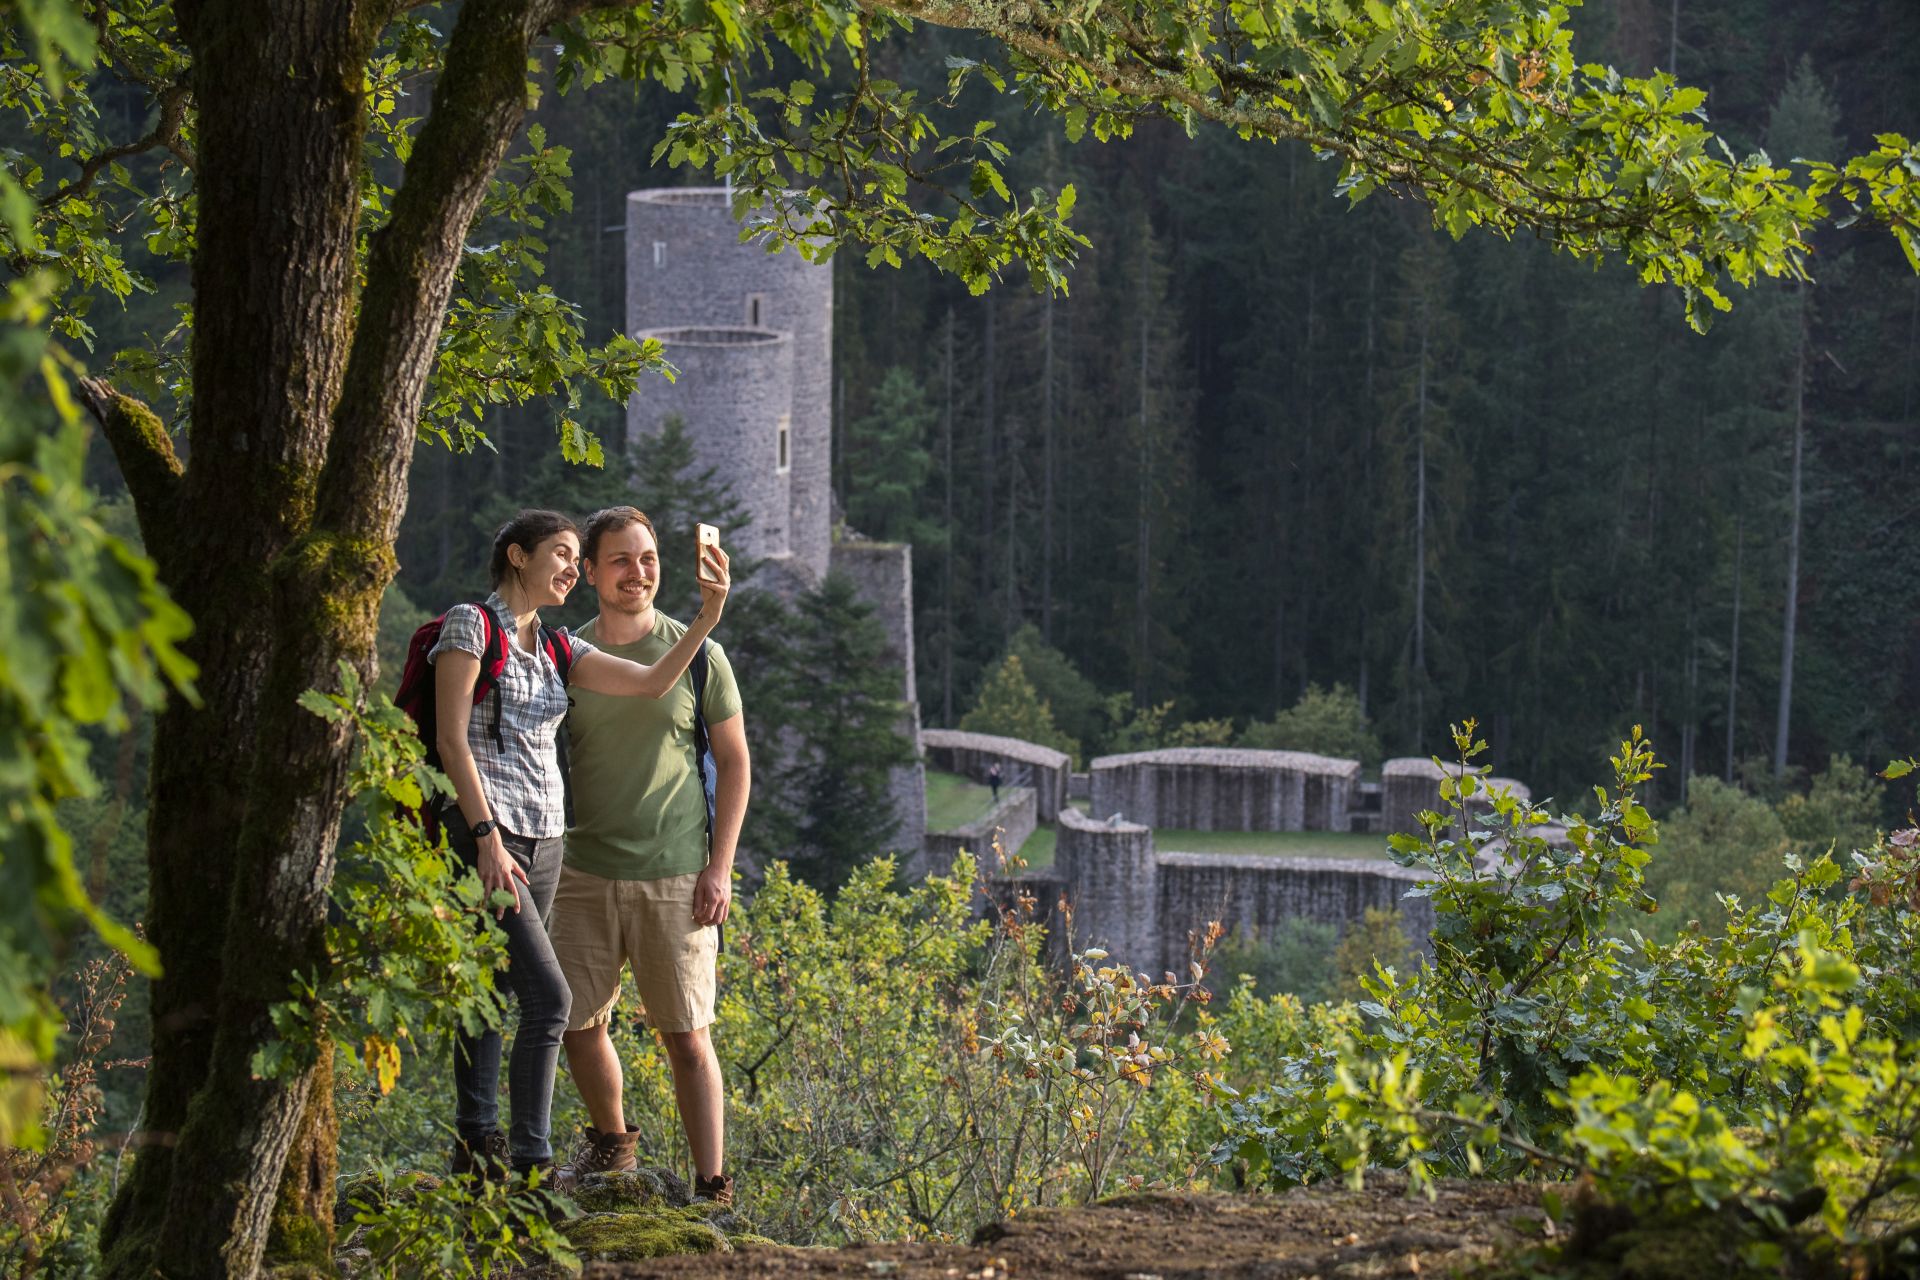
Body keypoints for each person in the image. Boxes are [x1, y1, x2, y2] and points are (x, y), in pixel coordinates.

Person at [430, 508, 730, 1185]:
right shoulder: (470, 626)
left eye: (574, 557)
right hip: (492, 843)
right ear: (515, 556)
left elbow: (653, 682)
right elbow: (452, 740)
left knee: (490, 992)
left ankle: (479, 1155)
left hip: (546, 848)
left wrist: (708, 619)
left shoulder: (557, 648)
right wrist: (484, 837)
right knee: (549, 1002)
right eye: (561, 555)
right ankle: (524, 1161)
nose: (570, 568)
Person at [551, 506, 750, 1205]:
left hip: (676, 874)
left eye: (647, 559)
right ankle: (614, 1147)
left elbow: (735, 763)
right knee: (576, 1022)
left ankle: (711, 1184)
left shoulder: (703, 658)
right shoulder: (566, 656)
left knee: (688, 1038)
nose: (637, 573)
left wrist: (718, 867)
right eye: (620, 560)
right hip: (581, 870)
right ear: (591, 574)